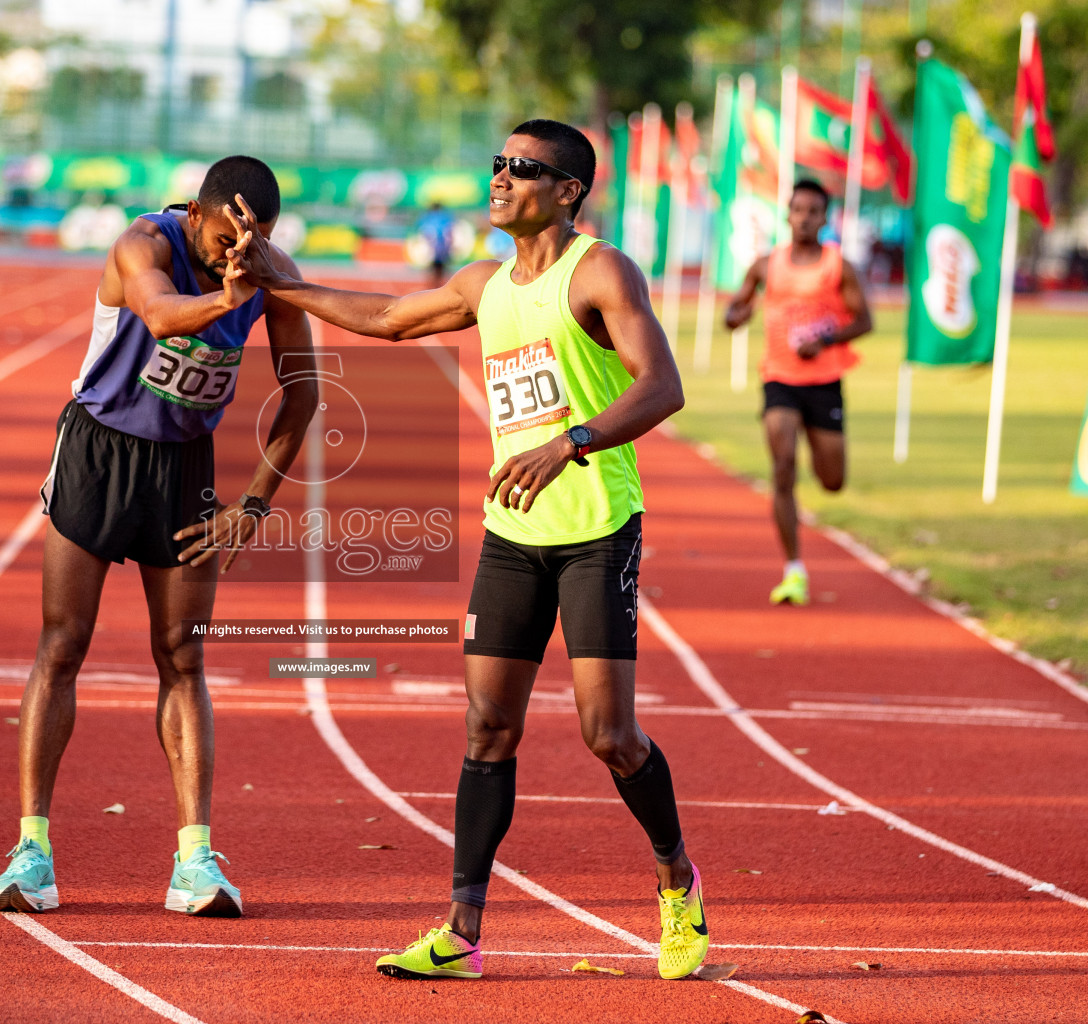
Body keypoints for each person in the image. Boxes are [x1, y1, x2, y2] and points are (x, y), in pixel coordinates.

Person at [227, 120, 707, 981]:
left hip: (597, 528)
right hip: (512, 535)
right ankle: (460, 931)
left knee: (610, 735)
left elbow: (662, 385)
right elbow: (384, 319)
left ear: (568, 191)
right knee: (488, 727)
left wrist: (572, 441)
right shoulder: (484, 283)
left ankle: (677, 878)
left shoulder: (598, 271)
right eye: (496, 163)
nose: (499, 179)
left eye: (521, 169)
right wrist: (280, 285)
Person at [0, 156, 317, 919]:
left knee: (184, 655)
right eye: (229, 236)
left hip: (183, 469)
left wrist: (255, 504)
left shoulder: (268, 270)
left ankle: (196, 861)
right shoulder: (144, 245)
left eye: (257, 239)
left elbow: (305, 395)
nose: (240, 252)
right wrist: (233, 296)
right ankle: (31, 851)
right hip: (99, 450)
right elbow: (162, 316)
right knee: (63, 642)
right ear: (195, 214)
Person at [723, 178, 873, 606]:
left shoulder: (838, 266)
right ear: (787, 215)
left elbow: (865, 321)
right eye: (798, 210)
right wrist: (736, 314)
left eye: (813, 211)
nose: (805, 218)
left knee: (832, 481)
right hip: (780, 379)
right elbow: (735, 309)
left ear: (825, 218)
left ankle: (818, 444)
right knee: (783, 466)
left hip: (824, 382)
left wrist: (824, 341)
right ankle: (793, 568)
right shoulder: (766, 264)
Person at [418, 201, 455, 287]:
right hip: (443, 249)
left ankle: (431, 288)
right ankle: (441, 288)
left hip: (432, 248)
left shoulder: (427, 217)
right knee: (442, 271)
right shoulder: (445, 217)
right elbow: (449, 233)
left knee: (431, 271)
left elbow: (423, 231)